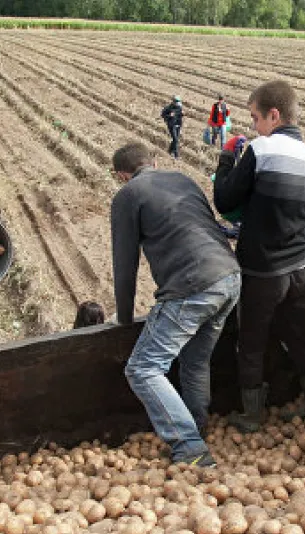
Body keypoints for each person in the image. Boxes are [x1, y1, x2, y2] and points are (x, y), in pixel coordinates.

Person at [110, 142, 242, 467]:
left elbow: (125, 265)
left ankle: (189, 447)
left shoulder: (127, 196)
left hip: (194, 284)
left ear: (121, 175)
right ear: (154, 162)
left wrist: (124, 319)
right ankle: (196, 427)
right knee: (195, 361)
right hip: (229, 276)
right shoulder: (183, 180)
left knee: (143, 368)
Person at [213, 80, 305, 431]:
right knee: (295, 332)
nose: (253, 127)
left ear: (273, 116)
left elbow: (226, 200)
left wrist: (227, 159)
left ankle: (251, 415)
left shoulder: (262, 149)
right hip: (302, 268)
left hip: (264, 269)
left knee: (251, 341)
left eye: (254, 118)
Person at [160, 95, 184, 160]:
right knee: (176, 140)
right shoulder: (169, 108)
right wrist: (169, 116)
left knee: (175, 140)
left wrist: (182, 114)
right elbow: (162, 115)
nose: (178, 103)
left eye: (178, 102)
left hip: (178, 125)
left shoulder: (180, 107)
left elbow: (179, 116)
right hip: (171, 125)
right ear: (173, 101)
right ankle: (176, 155)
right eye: (176, 101)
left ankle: (170, 151)